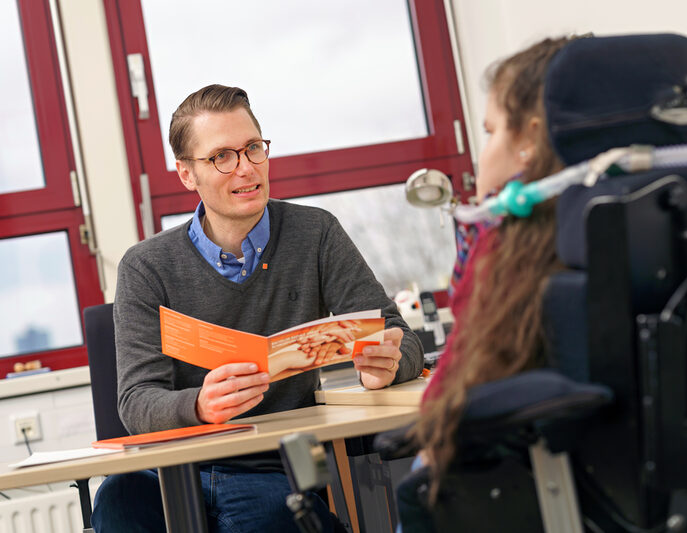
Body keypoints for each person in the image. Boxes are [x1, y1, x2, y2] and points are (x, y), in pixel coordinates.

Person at [92, 84, 424, 532]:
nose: (246, 168)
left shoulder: (316, 233)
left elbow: (399, 335)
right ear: (187, 174)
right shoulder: (146, 266)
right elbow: (136, 402)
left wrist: (389, 363)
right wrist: (201, 405)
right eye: (222, 157)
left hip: (272, 468)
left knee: (273, 515)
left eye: (253, 148)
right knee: (116, 499)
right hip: (170, 469)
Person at [400, 35, 575, 526]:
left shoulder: (506, 246)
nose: (483, 149)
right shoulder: (639, 216)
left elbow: (449, 393)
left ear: (529, 141)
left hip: (496, 483)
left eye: (490, 129)